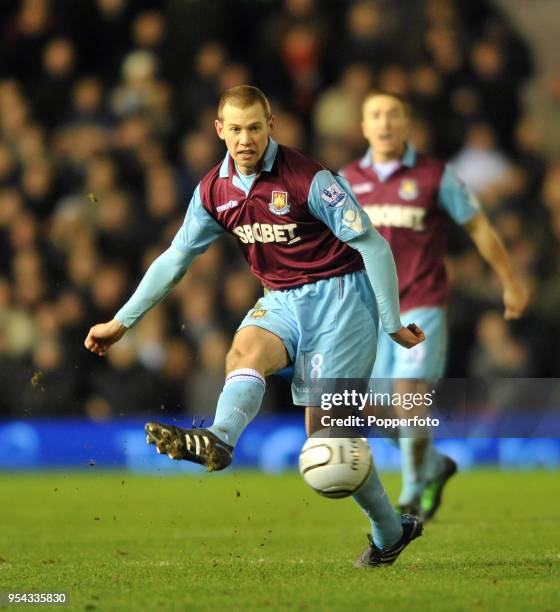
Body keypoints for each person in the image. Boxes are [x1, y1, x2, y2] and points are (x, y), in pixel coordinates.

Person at [85, 85, 425, 567]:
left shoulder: (311, 179)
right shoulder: (213, 191)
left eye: (255, 127)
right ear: (219, 130)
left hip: (342, 299)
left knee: (328, 446)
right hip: (280, 299)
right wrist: (122, 322)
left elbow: (374, 246)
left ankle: (389, 532)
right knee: (243, 353)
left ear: (272, 126)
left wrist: (392, 323)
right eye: (236, 129)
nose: (246, 139)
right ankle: (219, 439)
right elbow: (176, 258)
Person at [341, 90, 528, 520]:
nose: (385, 123)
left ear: (406, 124)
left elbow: (478, 227)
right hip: (367, 313)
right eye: (376, 116)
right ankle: (433, 465)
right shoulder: (345, 181)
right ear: (363, 127)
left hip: (421, 304)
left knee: (409, 391)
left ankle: (410, 490)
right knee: (367, 404)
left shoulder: (435, 177)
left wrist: (510, 281)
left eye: (393, 115)